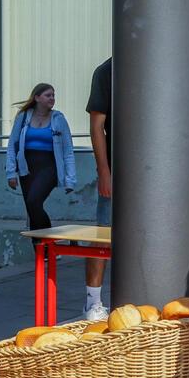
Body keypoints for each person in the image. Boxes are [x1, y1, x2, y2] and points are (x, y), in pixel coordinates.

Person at [6, 83, 77, 235]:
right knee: (32, 208)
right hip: (27, 166)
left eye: (53, 95)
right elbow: (12, 145)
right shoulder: (23, 117)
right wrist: (11, 172)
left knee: (33, 201)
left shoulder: (58, 119)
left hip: (49, 166)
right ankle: (41, 251)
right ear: (37, 98)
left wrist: (70, 179)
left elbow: (68, 151)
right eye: (48, 95)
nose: (52, 98)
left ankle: (48, 241)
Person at [84, 56, 113, 320]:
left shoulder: (156, 61)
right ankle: (93, 301)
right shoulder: (106, 71)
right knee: (103, 233)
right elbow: (97, 126)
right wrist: (103, 171)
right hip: (116, 172)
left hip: (152, 177)